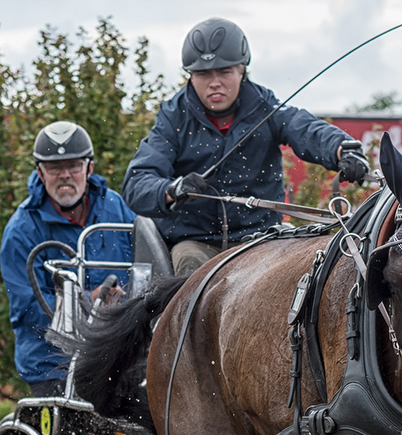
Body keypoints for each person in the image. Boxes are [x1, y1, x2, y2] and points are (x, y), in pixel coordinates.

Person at [123, 17, 370, 274]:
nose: (214, 82)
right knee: (190, 265)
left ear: (242, 71)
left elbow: (304, 127)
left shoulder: (265, 106)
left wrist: (342, 148)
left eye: (224, 72)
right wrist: (172, 189)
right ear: (191, 76)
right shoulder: (173, 116)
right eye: (203, 74)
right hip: (196, 242)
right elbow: (137, 183)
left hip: (260, 238)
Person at [0, 120, 135, 396]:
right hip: (52, 363)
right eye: (54, 168)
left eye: (74, 166)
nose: (65, 175)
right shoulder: (20, 231)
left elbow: (146, 267)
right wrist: (90, 303)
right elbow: (28, 310)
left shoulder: (115, 207)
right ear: (40, 173)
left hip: (117, 356)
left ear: (89, 168)